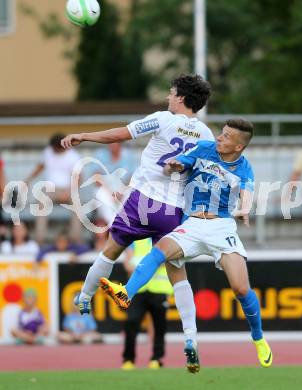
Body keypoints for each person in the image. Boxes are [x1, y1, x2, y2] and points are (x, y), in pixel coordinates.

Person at [61, 74, 214, 372]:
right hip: (173, 211)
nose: (168, 98)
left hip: (142, 202)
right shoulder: (207, 135)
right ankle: (191, 340)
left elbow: (120, 134)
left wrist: (85, 136)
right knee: (178, 275)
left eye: (171, 93)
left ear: (181, 98)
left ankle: (85, 299)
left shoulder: (162, 119)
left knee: (110, 252)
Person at [101, 119, 273, 371]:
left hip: (220, 227)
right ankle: (126, 293)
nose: (220, 138)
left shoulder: (244, 168)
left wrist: (244, 209)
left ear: (238, 147)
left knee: (240, 288)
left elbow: (246, 195)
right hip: (190, 223)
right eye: (221, 133)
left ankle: (258, 339)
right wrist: (175, 165)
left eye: (226, 137)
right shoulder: (204, 148)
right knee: (158, 251)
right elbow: (184, 162)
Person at [121, 238, 173, 370]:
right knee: (131, 322)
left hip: (159, 289)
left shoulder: (163, 238)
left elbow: (166, 260)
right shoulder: (135, 241)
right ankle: (128, 359)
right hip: (138, 291)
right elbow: (128, 266)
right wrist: (152, 263)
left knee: (159, 326)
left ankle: (157, 358)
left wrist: (139, 264)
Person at [26, 133, 82, 244]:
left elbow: (78, 177)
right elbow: (40, 167)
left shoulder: (73, 156)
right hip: (50, 189)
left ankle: (75, 239)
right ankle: (40, 239)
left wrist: (69, 191)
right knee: (41, 201)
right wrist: (28, 180)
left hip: (68, 189)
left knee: (78, 204)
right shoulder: (48, 152)